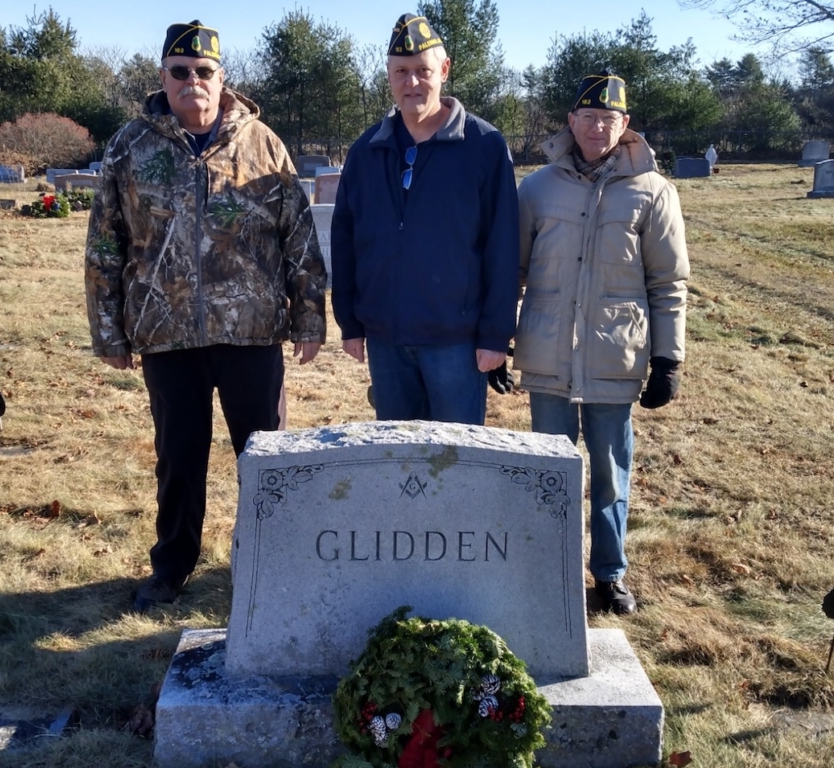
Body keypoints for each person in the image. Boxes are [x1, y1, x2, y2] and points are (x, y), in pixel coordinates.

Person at [84, 20, 327, 611]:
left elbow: (299, 237)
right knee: (179, 458)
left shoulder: (263, 143)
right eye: (180, 72)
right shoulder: (130, 146)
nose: (193, 81)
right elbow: (104, 245)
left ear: (223, 79)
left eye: (204, 72)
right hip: (166, 334)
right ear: (163, 77)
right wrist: (109, 331)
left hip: (250, 332)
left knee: (266, 455)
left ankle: (274, 559)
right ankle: (171, 568)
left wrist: (310, 318)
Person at [511, 70, 689, 615]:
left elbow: (668, 281)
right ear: (570, 121)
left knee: (610, 471)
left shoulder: (652, 191)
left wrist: (668, 359)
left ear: (625, 124)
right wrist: (498, 338)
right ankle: (550, 566)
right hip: (547, 353)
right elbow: (510, 273)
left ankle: (609, 573)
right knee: (551, 470)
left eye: (607, 118)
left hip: (615, 355)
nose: (596, 126)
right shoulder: (537, 188)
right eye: (587, 116)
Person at [330, 13, 518, 424]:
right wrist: (349, 321)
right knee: (399, 464)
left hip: (456, 339)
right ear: (388, 75)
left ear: (445, 70)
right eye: (401, 72)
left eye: (422, 71)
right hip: (386, 339)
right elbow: (345, 237)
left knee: (455, 463)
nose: (412, 83)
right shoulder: (367, 150)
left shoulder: (483, 146)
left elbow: (502, 246)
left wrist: (495, 334)